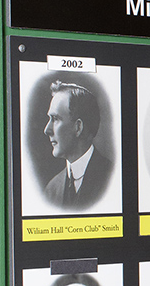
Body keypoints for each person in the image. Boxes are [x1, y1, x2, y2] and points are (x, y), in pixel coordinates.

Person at [43, 80, 112, 210]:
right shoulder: (51, 189)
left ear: (78, 127)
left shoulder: (112, 178)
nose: (47, 130)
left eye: (55, 119)